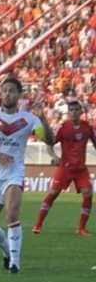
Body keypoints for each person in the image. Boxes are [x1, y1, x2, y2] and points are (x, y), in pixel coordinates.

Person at [0, 77, 54, 274]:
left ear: (19, 95)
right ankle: (8, 251)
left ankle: (15, 263)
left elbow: (49, 139)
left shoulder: (29, 119)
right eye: (4, 90)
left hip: (14, 174)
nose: (7, 94)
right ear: (0, 94)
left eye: (11, 91)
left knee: (12, 213)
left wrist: (43, 119)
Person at [33, 100, 94, 236]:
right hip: (65, 167)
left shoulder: (87, 127)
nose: (73, 113)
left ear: (81, 112)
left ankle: (81, 228)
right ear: (68, 113)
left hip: (80, 169)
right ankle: (38, 224)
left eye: (76, 110)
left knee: (88, 194)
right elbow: (50, 144)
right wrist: (54, 156)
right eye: (71, 110)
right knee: (53, 193)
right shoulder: (63, 128)